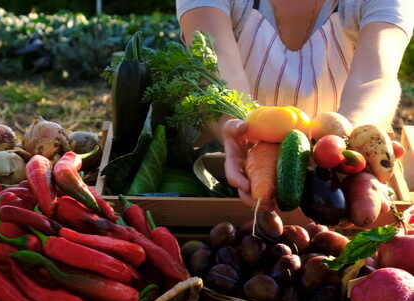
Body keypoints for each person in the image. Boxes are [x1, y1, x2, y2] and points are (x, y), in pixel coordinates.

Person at [176, 0, 414, 207]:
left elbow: (375, 77)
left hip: (329, 182)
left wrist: (344, 146)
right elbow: (213, 69)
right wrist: (240, 129)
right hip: (230, 165)